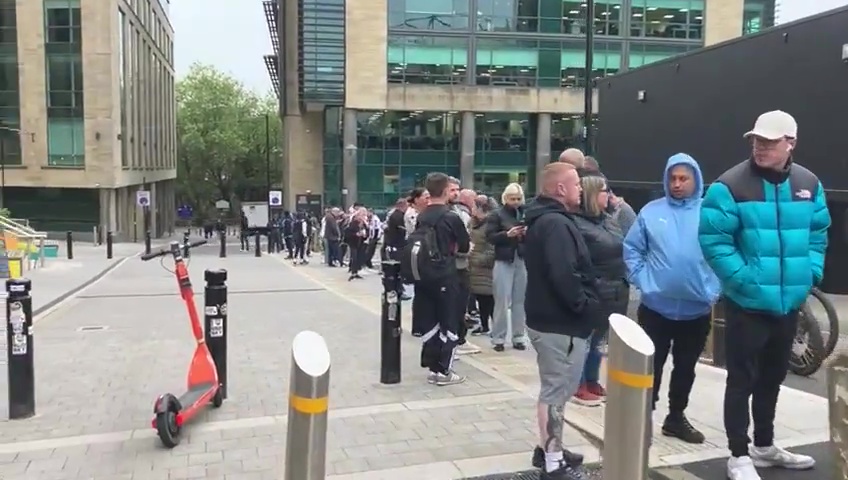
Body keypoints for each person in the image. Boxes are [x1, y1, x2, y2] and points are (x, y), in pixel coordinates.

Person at [699, 111, 830, 480]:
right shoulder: (729, 186)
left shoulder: (809, 184)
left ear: (791, 143)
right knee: (741, 379)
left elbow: (819, 232)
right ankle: (738, 455)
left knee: (772, 377)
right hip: (748, 303)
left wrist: (810, 273)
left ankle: (764, 445)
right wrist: (743, 280)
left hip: (789, 302)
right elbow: (713, 240)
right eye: (756, 140)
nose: (760, 147)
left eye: (770, 141)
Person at [623, 153, 720, 443]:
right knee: (650, 367)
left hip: (697, 310)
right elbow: (632, 250)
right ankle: (643, 417)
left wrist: (714, 289)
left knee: (686, 368)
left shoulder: (709, 213)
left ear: (696, 180)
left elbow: (723, 254)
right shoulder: (651, 212)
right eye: (672, 178)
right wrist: (644, 281)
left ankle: (676, 418)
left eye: (683, 178)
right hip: (656, 308)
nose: (677, 184)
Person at [524, 162, 597, 480]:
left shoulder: (545, 220)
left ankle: (550, 448)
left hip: (550, 319)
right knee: (555, 391)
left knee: (555, 389)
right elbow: (563, 272)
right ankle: (553, 462)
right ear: (561, 189)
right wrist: (583, 306)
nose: (581, 189)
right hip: (559, 323)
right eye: (577, 184)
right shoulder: (555, 223)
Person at [568, 171, 629, 408]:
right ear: (594, 194)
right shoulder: (577, 224)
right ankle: (578, 384)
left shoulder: (608, 220)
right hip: (595, 288)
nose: (610, 196)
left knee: (599, 342)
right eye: (605, 191)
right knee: (584, 341)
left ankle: (592, 379)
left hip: (614, 288)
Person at [414, 172, 470, 386]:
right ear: (446, 190)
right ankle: (444, 370)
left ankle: (432, 367)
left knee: (430, 320)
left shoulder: (422, 215)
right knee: (449, 320)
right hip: (446, 274)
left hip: (423, 274)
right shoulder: (451, 217)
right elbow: (464, 245)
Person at [486, 183, 527, 352]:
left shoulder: (525, 213)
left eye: (518, 199)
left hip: (521, 257)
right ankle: (499, 337)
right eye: (512, 198)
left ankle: (518, 336)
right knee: (502, 300)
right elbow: (490, 236)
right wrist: (507, 235)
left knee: (520, 300)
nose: (515, 202)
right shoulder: (497, 214)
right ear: (505, 198)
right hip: (504, 259)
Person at [453, 187, 480, 355]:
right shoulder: (460, 215)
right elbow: (461, 240)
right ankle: (458, 340)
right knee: (457, 304)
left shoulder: (457, 212)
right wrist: (467, 249)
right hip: (457, 265)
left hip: (458, 265)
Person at [468, 196, 495, 336]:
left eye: (474, 207)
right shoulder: (473, 223)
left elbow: (492, 247)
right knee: (480, 297)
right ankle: (484, 325)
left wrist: (479, 260)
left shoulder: (490, 224)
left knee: (489, 299)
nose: (471, 210)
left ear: (481, 209)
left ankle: (495, 327)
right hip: (474, 265)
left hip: (485, 267)